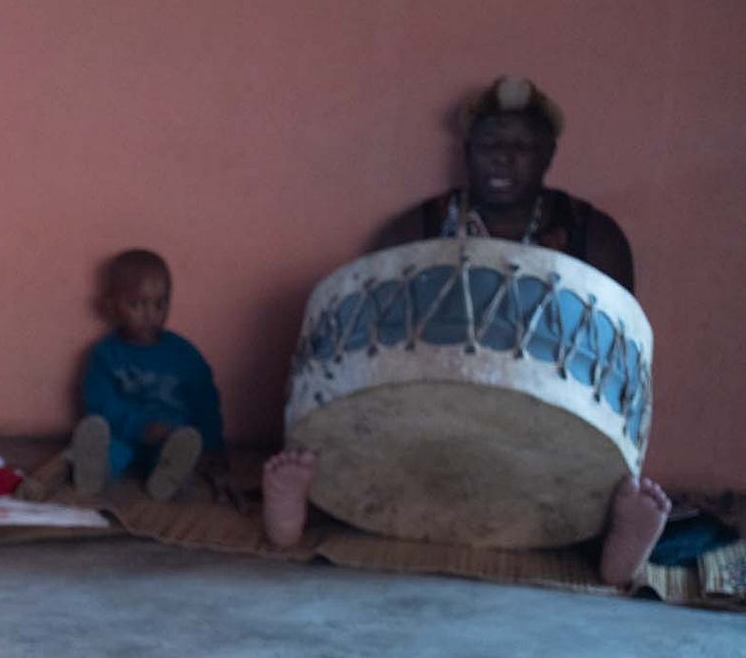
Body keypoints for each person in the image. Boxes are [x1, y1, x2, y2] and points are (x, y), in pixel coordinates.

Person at [263, 77, 669, 583]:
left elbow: (618, 352)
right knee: (351, 452)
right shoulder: (414, 229)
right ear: (467, 151)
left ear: (548, 155)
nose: (504, 157)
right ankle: (295, 503)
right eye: (491, 144)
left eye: (522, 147)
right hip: (423, 408)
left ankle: (619, 540)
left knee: (586, 477)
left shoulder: (595, 234)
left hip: (547, 421)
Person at [21, 249, 225, 502]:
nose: (150, 314)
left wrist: (213, 445)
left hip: (169, 435)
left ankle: (168, 481)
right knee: (108, 446)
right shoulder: (106, 355)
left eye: (160, 304)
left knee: (178, 448)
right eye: (137, 304)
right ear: (111, 306)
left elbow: (205, 400)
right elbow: (99, 402)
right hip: (123, 433)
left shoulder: (185, 356)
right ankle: (94, 474)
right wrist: (138, 427)